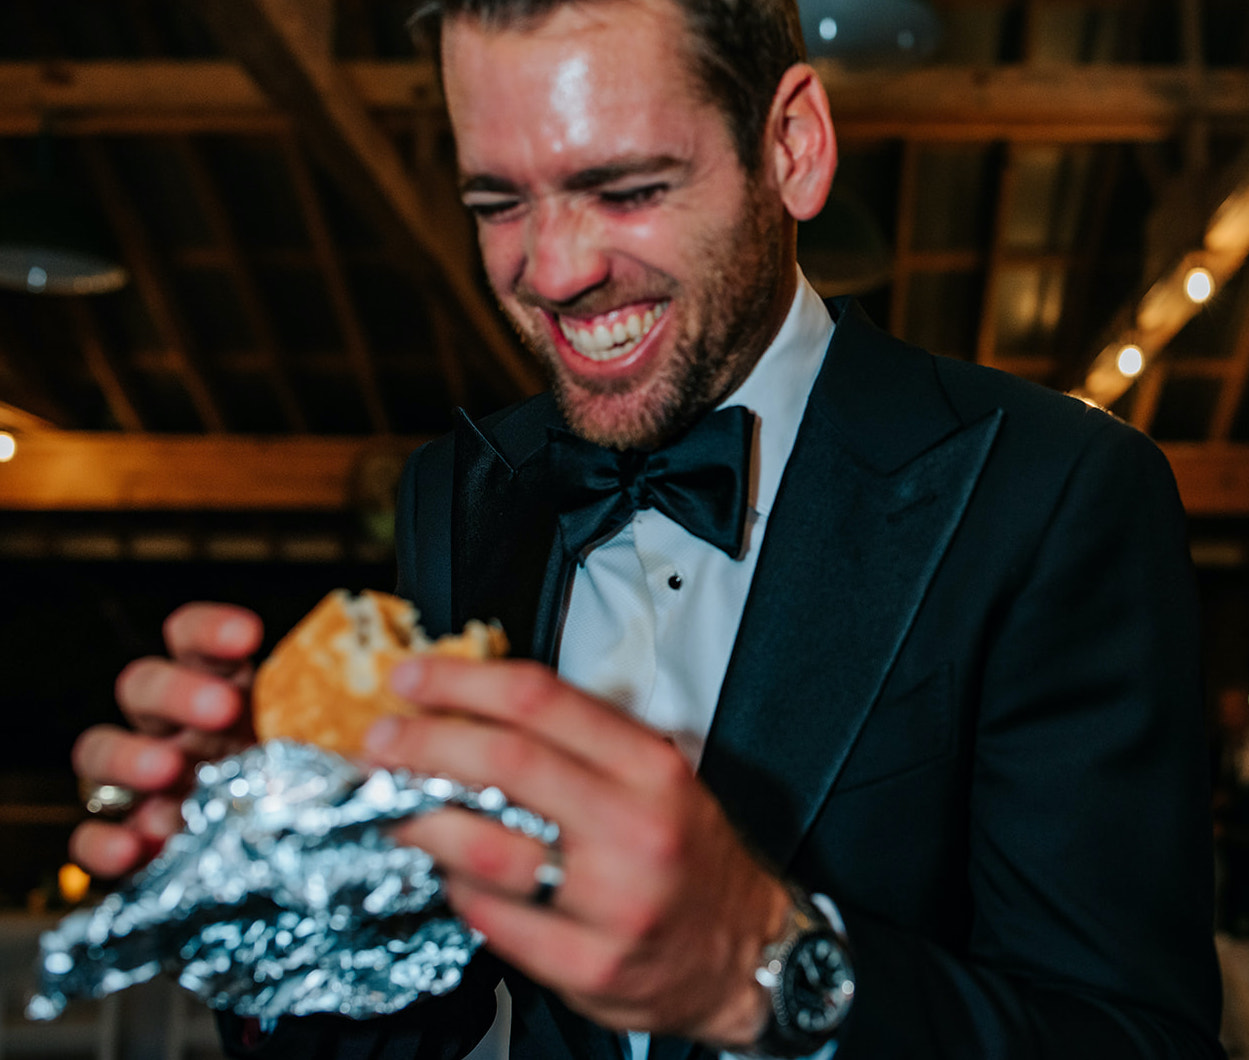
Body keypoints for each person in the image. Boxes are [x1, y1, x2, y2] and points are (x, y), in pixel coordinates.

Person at [69, 0, 1225, 1055]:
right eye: (497, 203)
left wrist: (759, 967)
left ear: (791, 147)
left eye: (626, 189)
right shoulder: (461, 493)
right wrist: (274, 884)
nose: (555, 271)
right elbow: (401, 1022)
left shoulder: (1056, 491)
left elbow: (1133, 1039)